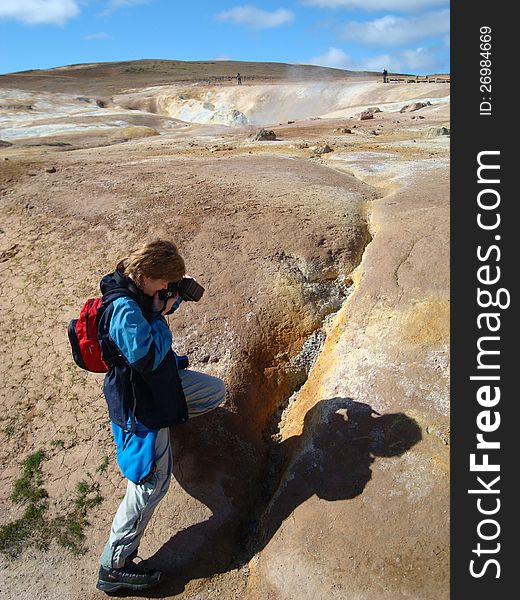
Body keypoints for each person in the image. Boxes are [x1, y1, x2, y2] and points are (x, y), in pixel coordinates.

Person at [95, 239, 225, 593]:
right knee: (150, 484)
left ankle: (167, 426)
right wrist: (158, 315)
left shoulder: (134, 285)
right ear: (148, 275)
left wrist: (162, 304)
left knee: (216, 392)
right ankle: (114, 565)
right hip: (139, 403)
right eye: (165, 283)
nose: (168, 289)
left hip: (158, 389)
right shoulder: (124, 310)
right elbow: (148, 358)